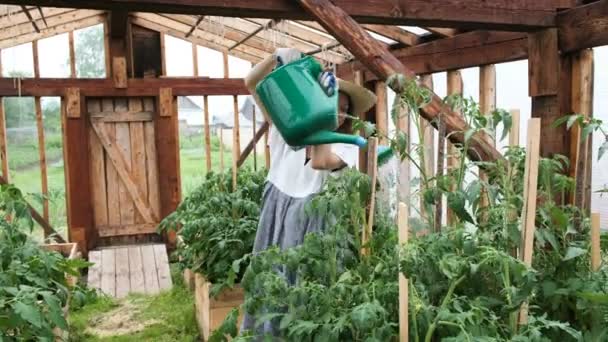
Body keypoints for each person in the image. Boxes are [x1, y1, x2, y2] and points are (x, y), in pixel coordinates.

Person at [240, 48, 377, 334]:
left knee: (303, 292)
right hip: (275, 211)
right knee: (268, 284)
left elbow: (318, 161)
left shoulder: (347, 145)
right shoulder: (284, 128)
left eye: (342, 108)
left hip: (312, 222)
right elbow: (252, 83)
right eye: (331, 103)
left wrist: (321, 113)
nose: (337, 114)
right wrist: (276, 58)